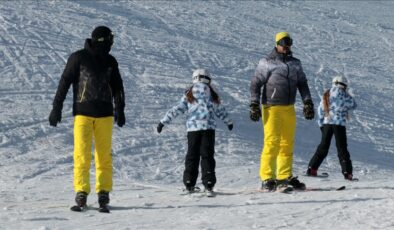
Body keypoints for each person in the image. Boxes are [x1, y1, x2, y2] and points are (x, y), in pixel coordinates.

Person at [48, 26, 125, 212]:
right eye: (109, 39)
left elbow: (118, 87)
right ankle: (81, 192)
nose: (111, 43)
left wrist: (120, 109)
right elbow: (64, 82)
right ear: (101, 40)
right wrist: (56, 108)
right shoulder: (78, 57)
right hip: (83, 113)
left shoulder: (110, 61)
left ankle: (103, 192)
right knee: (81, 154)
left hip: (105, 115)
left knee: (103, 156)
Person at [249, 32, 315, 192]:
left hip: (288, 107)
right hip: (271, 107)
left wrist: (307, 102)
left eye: (289, 44)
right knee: (272, 142)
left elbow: (302, 84)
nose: (286, 47)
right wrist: (254, 104)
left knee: (287, 143)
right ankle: (267, 178)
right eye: (283, 43)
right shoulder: (267, 62)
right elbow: (255, 83)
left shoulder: (295, 63)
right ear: (277, 43)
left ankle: (283, 176)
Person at [157, 69, 233, 195]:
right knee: (207, 156)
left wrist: (163, 122)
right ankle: (208, 185)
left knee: (192, 156)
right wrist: (229, 122)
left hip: (193, 130)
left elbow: (177, 109)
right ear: (208, 79)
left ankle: (189, 183)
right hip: (208, 129)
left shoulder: (189, 93)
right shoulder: (211, 93)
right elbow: (220, 110)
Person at [306, 76, 357, 180]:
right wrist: (348, 96)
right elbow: (354, 105)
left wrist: (321, 124)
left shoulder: (326, 93)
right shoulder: (345, 95)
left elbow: (321, 109)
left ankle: (312, 168)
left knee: (323, 146)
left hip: (327, 123)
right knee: (342, 148)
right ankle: (347, 173)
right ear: (343, 85)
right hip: (339, 125)